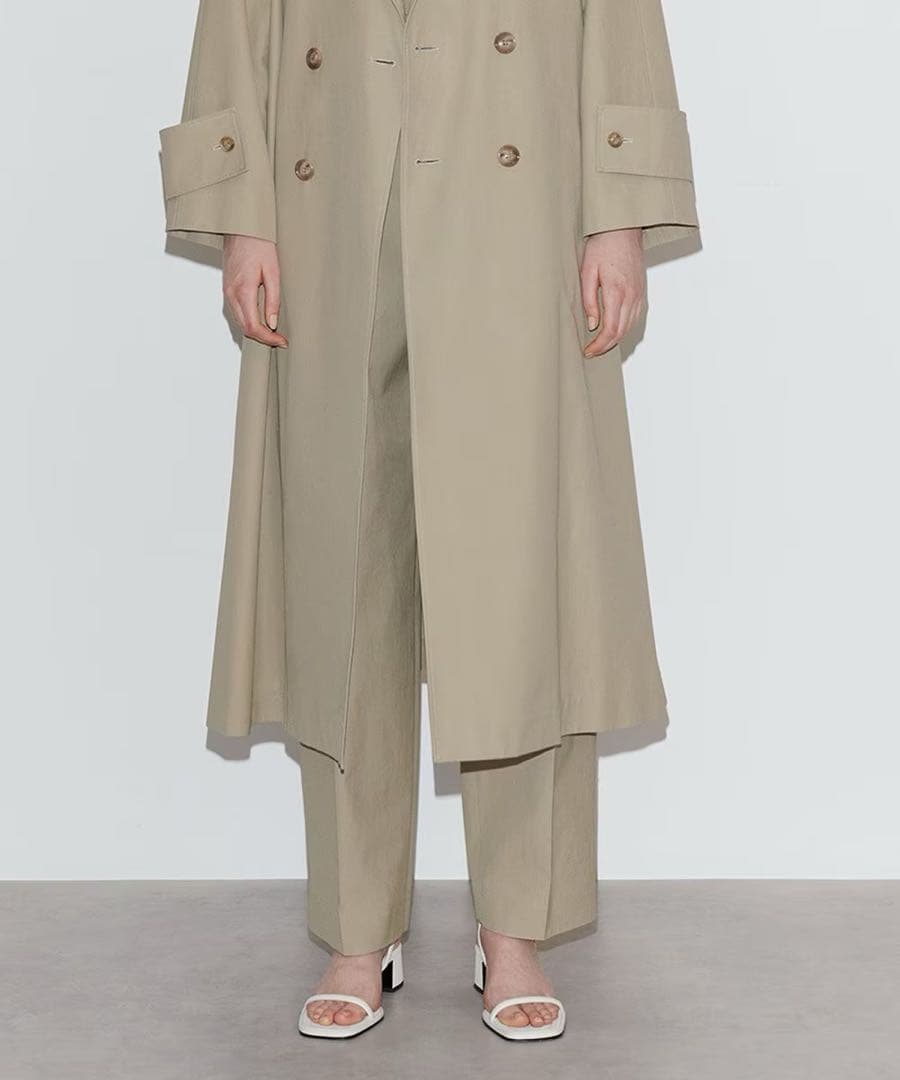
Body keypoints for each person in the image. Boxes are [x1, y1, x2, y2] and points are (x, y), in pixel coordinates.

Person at [159, 0, 699, 1043]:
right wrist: (242, 217)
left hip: (520, 204)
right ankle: (358, 930)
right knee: (340, 581)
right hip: (329, 192)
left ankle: (516, 930)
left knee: (516, 582)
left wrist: (620, 217)